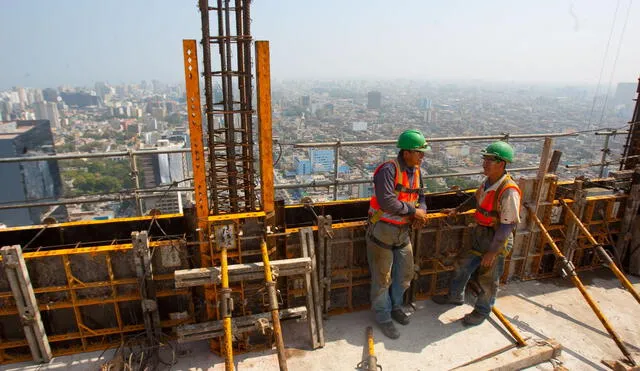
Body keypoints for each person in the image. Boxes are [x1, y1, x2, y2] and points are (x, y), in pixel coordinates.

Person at [432, 141, 521, 326]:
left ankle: (482, 311)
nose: (485, 164)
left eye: (490, 160)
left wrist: (492, 252)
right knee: (462, 265)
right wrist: (457, 210)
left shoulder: (508, 191)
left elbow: (507, 226)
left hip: (496, 238)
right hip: (480, 233)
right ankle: (455, 296)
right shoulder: (489, 182)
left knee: (488, 279)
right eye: (485, 159)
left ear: (502, 164)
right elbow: (477, 199)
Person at [367, 129, 429, 339]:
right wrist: (414, 212)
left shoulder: (417, 171)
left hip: (403, 233)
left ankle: (395, 307)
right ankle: (383, 317)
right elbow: (386, 201)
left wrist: (422, 213)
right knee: (382, 279)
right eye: (419, 152)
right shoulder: (388, 170)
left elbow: (422, 198)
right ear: (406, 153)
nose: (422, 156)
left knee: (404, 275)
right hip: (382, 232)